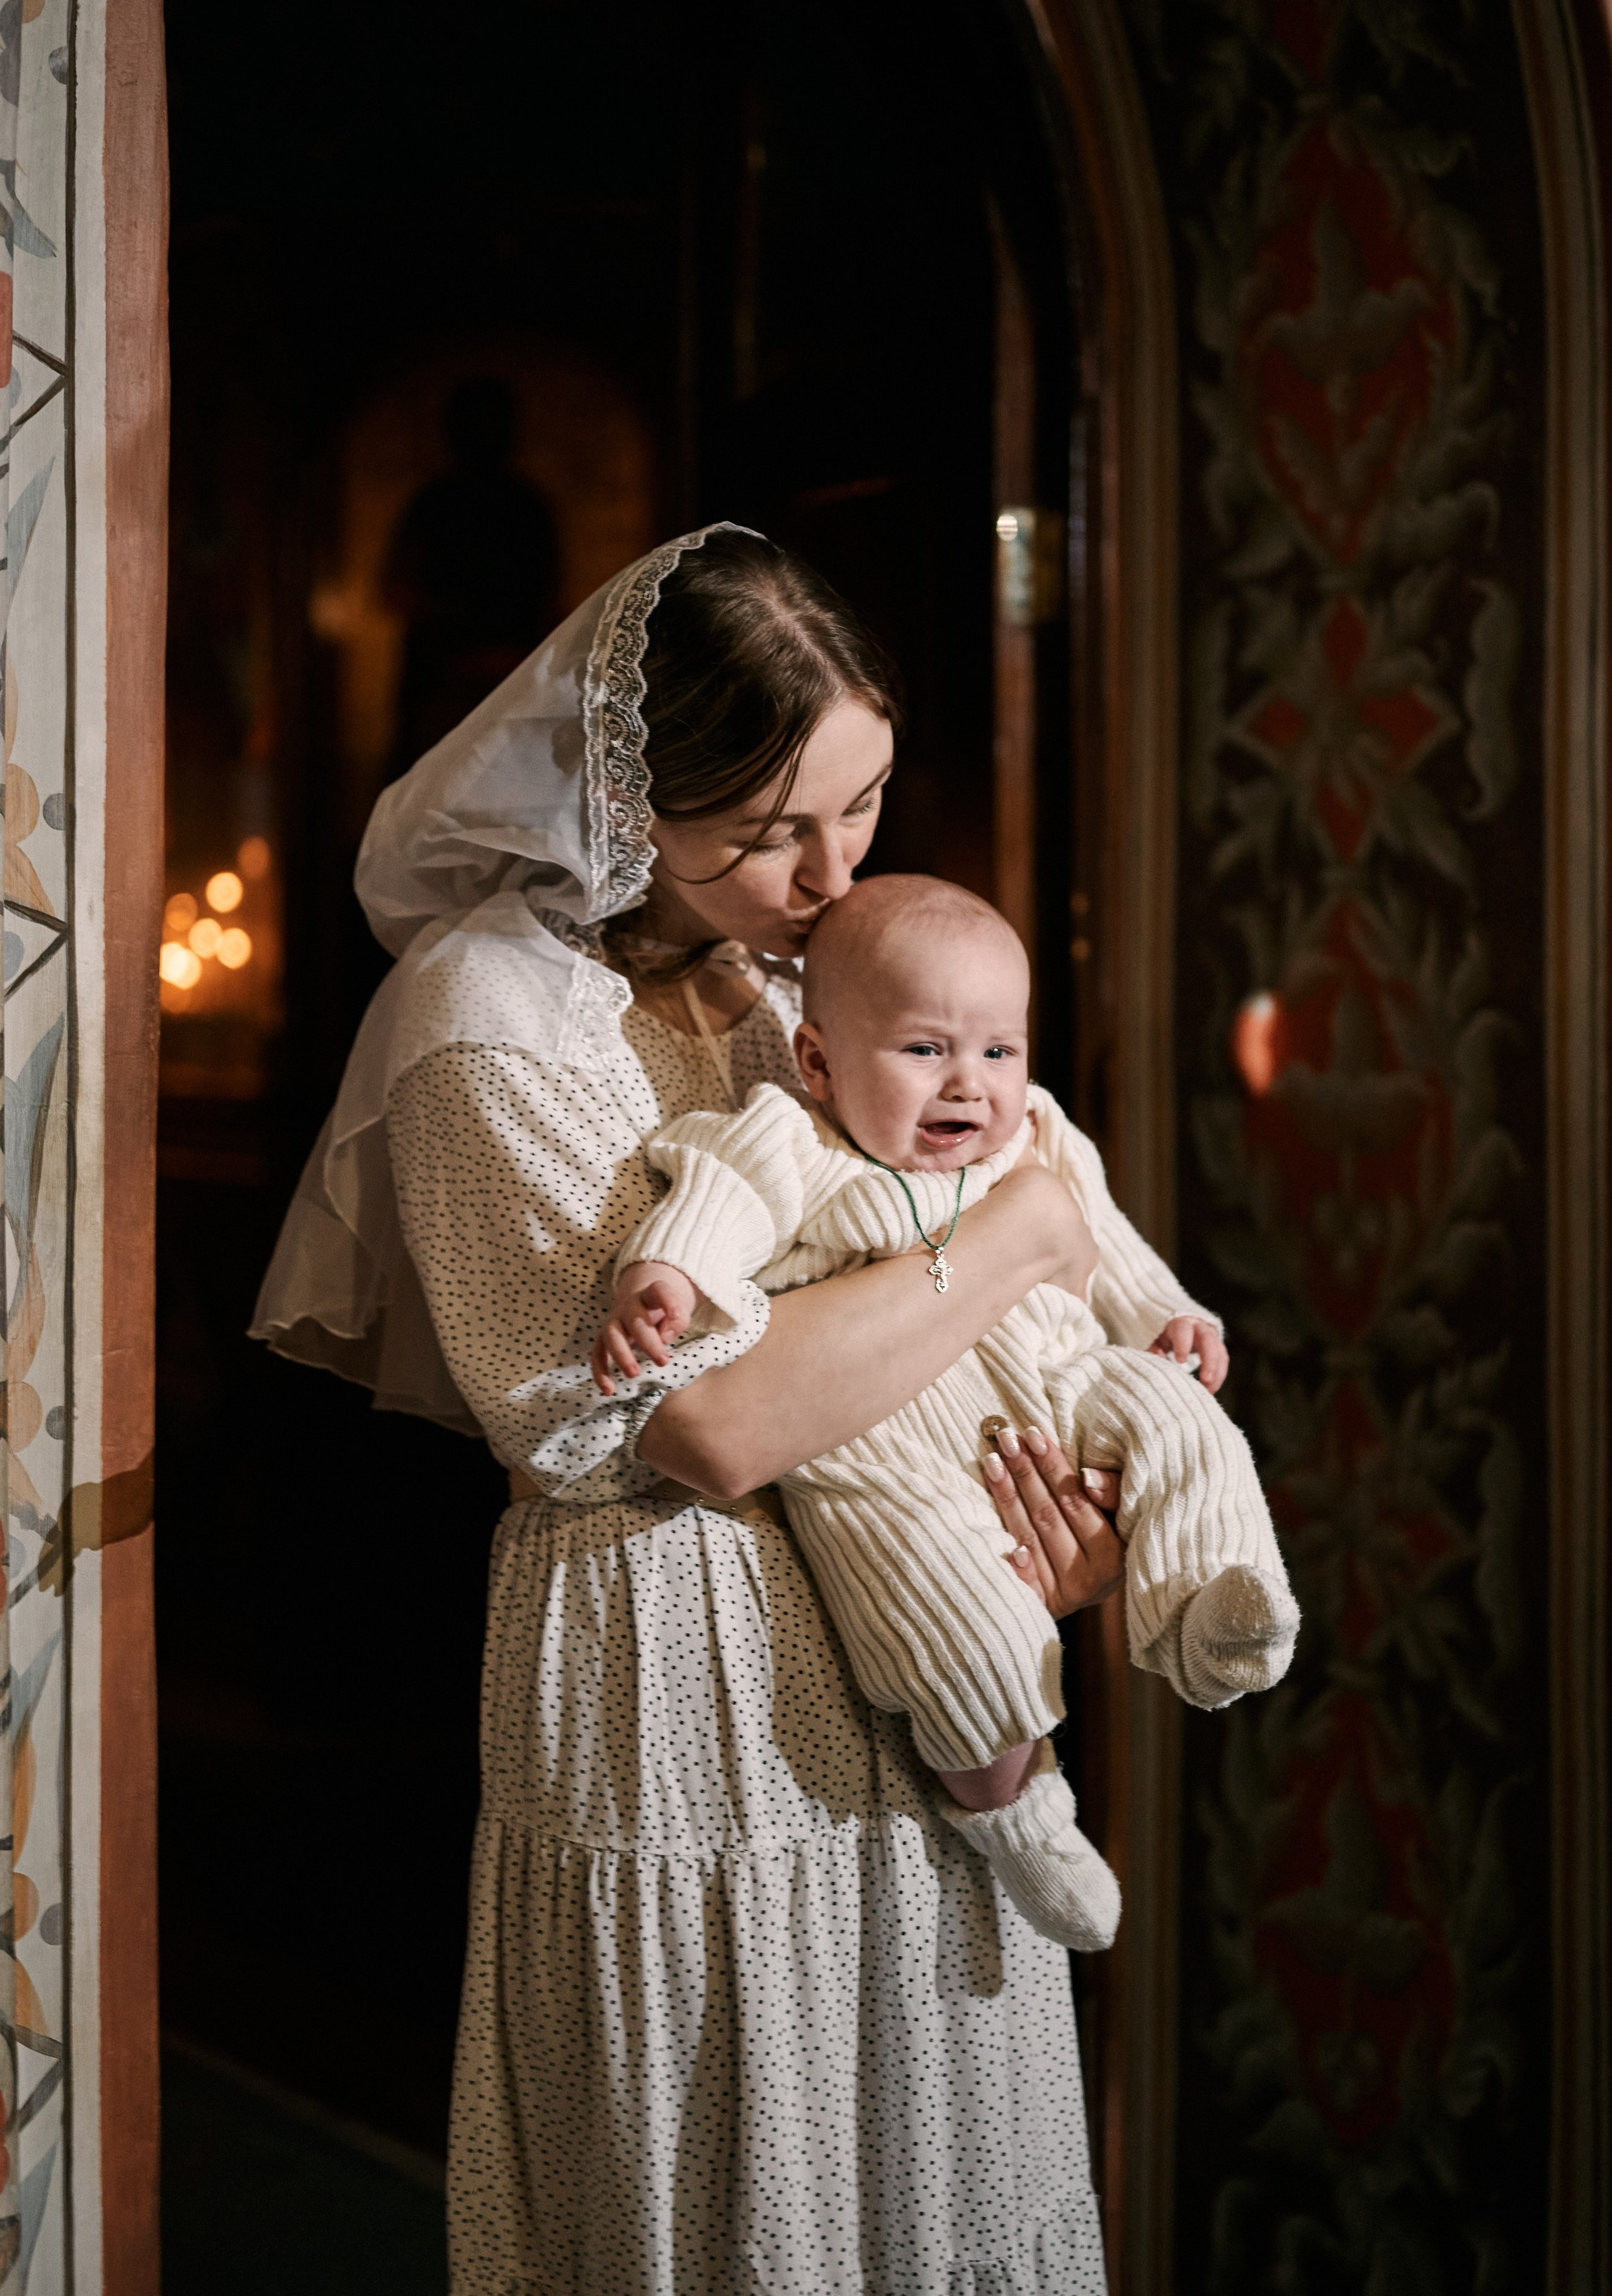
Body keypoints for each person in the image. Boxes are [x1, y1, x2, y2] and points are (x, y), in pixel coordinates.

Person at [254, 523, 1147, 2294]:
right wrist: (1031, 1231)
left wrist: (1029, 1532)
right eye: (764, 832)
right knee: (735, 2216)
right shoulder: (484, 1016)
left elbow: (938, 1327)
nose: (830, 874)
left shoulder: (822, 977)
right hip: (681, 1679)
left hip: (923, 1686)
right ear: (624, 790)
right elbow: (704, 1426)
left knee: (950, 2178)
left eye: (866, 802)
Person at [591, 873, 1297, 1951]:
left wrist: (1174, 1315)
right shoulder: (791, 1139)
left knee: (1183, 1420)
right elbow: (714, 1208)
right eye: (924, 1051)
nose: (969, 1082)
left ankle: (1209, 1605)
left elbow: (1108, 1247)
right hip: (883, 1445)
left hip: (1052, 1376)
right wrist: (664, 1281)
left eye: (998, 1052)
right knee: (951, 1627)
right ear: (820, 1059)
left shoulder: (1036, 1139)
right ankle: (1019, 1814)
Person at [382, 376, 561, 777]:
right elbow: (397, 590)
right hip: (441, 684)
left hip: (508, 683)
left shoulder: (526, 508)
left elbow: (550, 602)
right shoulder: (433, 505)